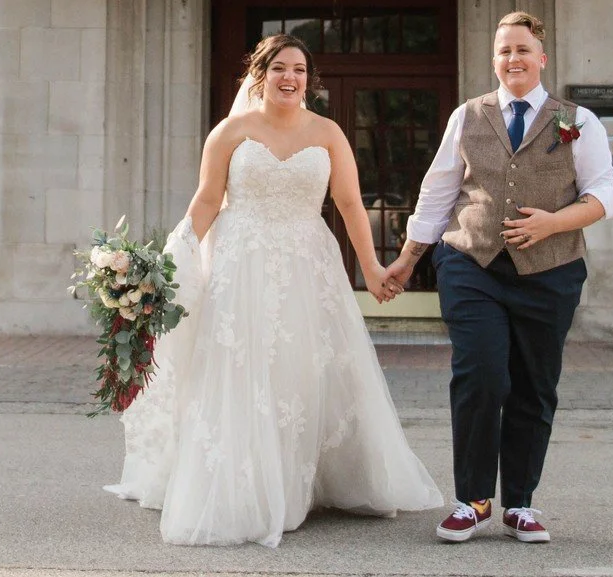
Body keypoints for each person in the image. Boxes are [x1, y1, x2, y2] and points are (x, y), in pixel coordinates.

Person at [105, 34, 442, 547]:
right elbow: (206, 201)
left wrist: (372, 269)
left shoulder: (328, 133)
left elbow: (350, 204)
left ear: (310, 79)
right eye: (280, 67)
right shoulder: (231, 132)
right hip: (241, 263)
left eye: (300, 70)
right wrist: (166, 262)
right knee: (243, 370)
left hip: (309, 264)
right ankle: (245, 487)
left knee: (301, 370)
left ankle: (297, 481)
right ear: (259, 74)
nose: (291, 77)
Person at [383, 11, 613, 544]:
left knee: (534, 387)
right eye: (503, 51)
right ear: (494, 60)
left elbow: (605, 194)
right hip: (471, 263)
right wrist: (408, 258)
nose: (512, 59)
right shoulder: (468, 116)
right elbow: (438, 191)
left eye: (521, 49)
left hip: (552, 271)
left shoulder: (577, 120)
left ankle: (520, 502)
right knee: (482, 375)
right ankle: (470, 500)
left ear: (541, 58)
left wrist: (553, 223)